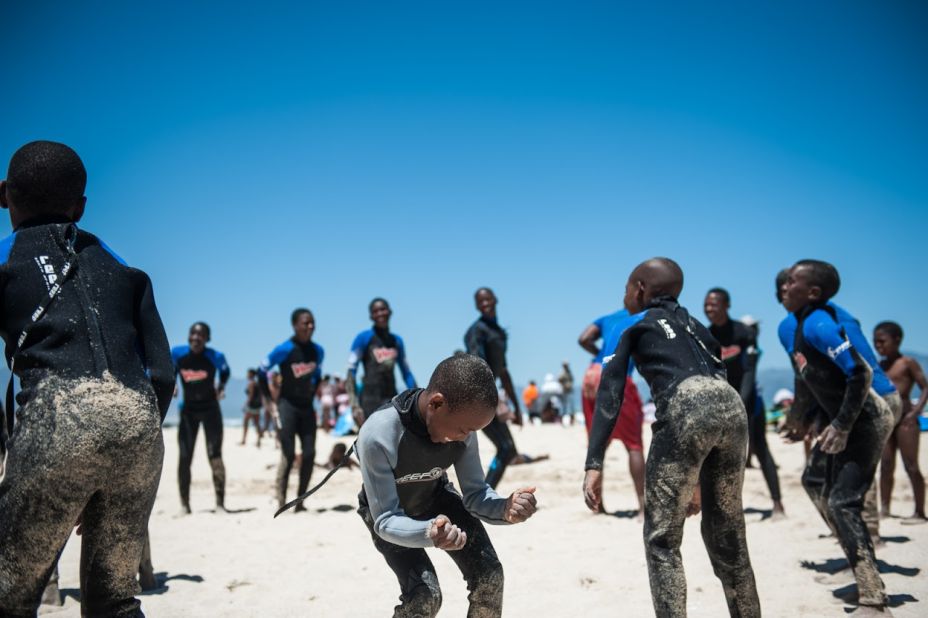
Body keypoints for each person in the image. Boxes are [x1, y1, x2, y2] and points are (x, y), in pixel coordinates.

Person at [0, 141, 173, 616]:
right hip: (138, 427)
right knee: (113, 600)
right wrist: (119, 452)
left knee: (9, 596)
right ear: (80, 207)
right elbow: (162, 373)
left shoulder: (5, 261)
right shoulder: (124, 270)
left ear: (3, 195)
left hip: (56, 423)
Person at [583, 258, 760, 618]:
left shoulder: (631, 324)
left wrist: (594, 463)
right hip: (730, 406)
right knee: (729, 536)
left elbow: (610, 393)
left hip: (685, 405)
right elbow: (717, 381)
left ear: (639, 289)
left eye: (626, 288)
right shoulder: (699, 327)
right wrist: (694, 479)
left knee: (662, 540)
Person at [356, 353, 538, 617]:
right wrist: (430, 533)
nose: (466, 437)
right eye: (464, 429)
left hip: (435, 497)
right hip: (389, 513)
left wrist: (505, 508)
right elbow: (385, 519)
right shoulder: (379, 434)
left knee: (490, 576)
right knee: (425, 596)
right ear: (437, 403)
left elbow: (476, 494)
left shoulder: (464, 431)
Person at [779, 260, 894, 613]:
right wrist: (800, 419)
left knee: (844, 502)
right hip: (845, 418)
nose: (784, 285)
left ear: (812, 292)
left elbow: (859, 372)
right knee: (815, 482)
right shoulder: (797, 325)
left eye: (792, 281)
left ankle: (874, 598)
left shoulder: (818, 324)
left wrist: (841, 426)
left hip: (867, 418)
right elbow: (808, 379)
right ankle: (858, 563)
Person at [704, 288, 785, 518]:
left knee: (760, 449)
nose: (710, 309)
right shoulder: (707, 336)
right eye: (706, 305)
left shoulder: (743, 332)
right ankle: (722, 505)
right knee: (717, 454)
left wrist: (739, 402)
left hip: (748, 401)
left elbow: (750, 370)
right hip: (721, 403)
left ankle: (778, 504)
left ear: (727, 305)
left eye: (714, 304)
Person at [578, 307, 646, 517]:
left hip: (591, 375)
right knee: (633, 445)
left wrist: (599, 354)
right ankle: (644, 508)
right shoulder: (645, 317)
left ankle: (597, 506)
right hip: (617, 376)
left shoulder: (608, 318)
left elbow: (583, 338)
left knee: (598, 443)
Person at [260, 308, 324, 512]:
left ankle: (300, 502)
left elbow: (317, 376)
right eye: (306, 323)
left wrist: (313, 394)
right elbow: (262, 370)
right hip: (287, 405)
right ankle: (281, 500)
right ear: (295, 325)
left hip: (306, 408)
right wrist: (270, 401)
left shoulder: (318, 351)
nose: (310, 326)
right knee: (288, 454)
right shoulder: (285, 349)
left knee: (309, 454)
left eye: (312, 322)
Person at [464, 287, 523, 489]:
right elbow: (477, 365)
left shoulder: (498, 332)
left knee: (508, 449)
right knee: (506, 448)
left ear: (495, 299)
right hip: (477, 398)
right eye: (481, 302)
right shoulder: (476, 331)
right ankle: (482, 495)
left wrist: (517, 406)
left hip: (489, 396)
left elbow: (503, 371)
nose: (485, 304)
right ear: (476, 306)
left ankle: (483, 493)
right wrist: (486, 399)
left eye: (488, 299)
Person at [172, 322, 230, 513]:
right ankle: (184, 505)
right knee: (184, 457)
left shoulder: (214, 356)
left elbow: (226, 371)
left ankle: (220, 504)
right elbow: (170, 370)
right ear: (189, 336)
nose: (196, 337)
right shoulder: (178, 354)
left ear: (207, 339)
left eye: (201, 335)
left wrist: (221, 386)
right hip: (188, 412)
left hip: (211, 410)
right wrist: (173, 384)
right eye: (193, 334)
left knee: (214, 455)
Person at [873, 321, 927, 523]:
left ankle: (920, 512)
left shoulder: (907, 362)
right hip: (887, 419)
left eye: (882, 341)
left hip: (906, 420)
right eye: (875, 342)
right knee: (885, 465)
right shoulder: (879, 366)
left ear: (896, 340)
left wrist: (916, 412)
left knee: (911, 465)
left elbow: (925, 387)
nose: (878, 345)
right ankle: (885, 508)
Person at [347, 298, 416, 425]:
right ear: (371, 316)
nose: (380, 313)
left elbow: (406, 372)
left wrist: (417, 396)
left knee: (392, 439)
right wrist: (354, 405)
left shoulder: (397, 341)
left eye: (383, 309)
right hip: (369, 399)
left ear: (390, 312)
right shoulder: (363, 338)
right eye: (375, 311)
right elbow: (351, 371)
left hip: (391, 398)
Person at [242, 368, 264, 447]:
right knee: (257, 423)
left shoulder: (251, 383)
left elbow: (250, 396)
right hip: (257, 406)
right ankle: (258, 440)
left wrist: (245, 405)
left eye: (248, 373)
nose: (246, 375)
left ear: (251, 374)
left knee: (246, 422)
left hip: (251, 406)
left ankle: (244, 440)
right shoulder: (257, 383)